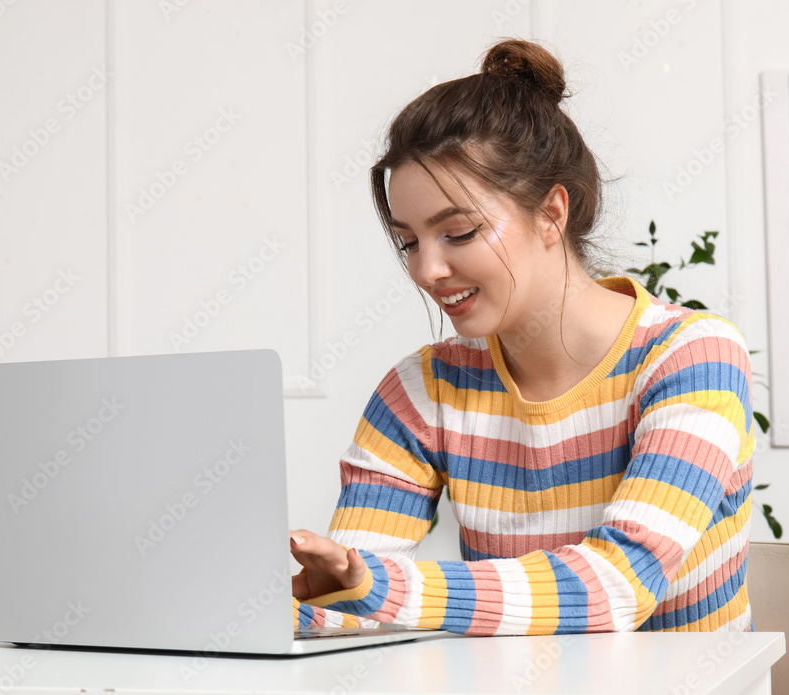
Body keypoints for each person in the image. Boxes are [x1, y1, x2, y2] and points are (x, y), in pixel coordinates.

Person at [289, 38, 755, 635]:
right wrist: (284, 600)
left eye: (457, 232)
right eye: (409, 241)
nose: (426, 271)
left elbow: (616, 589)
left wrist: (369, 587)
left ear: (551, 214)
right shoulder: (423, 389)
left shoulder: (692, 358)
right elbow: (346, 599)